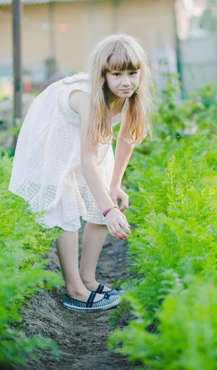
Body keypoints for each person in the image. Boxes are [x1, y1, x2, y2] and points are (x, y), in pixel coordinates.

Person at [9, 34, 152, 312]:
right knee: (67, 203)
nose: (126, 82)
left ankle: (88, 277)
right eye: (117, 74)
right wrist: (112, 211)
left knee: (102, 200)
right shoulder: (89, 99)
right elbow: (87, 161)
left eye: (133, 73)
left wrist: (115, 186)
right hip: (54, 133)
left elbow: (126, 139)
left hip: (87, 135)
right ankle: (74, 289)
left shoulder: (133, 98)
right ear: (102, 74)